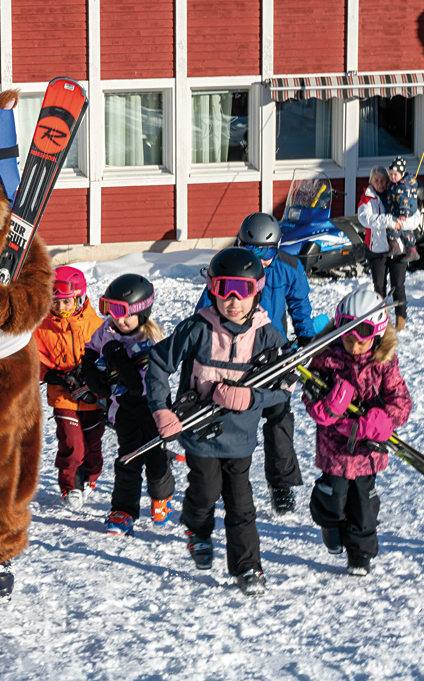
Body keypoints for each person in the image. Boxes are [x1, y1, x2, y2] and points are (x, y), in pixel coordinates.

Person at [147, 247, 293, 596]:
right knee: (205, 494)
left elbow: (287, 385)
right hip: (200, 434)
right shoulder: (197, 328)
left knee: (242, 505)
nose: (232, 299)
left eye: (242, 290)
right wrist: (160, 408)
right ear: (211, 287)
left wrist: (252, 398)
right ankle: (196, 529)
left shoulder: (267, 336)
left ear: (257, 289)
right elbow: (158, 362)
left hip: (241, 439)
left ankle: (248, 567)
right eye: (224, 287)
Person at [196, 211, 319, 516]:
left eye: (265, 252)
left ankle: (281, 484)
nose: (257, 257)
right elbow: (204, 309)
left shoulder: (289, 268)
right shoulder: (230, 266)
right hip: (230, 354)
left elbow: (301, 310)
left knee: (278, 417)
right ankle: (223, 479)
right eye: (250, 248)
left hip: (271, 355)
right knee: (228, 417)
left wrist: (306, 345)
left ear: (276, 249)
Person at [304, 288, 413, 577]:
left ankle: (360, 553)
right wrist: (328, 408)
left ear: (376, 337)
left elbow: (401, 402)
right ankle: (329, 524)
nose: (353, 347)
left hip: (367, 451)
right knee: (334, 496)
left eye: (361, 342)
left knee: (364, 506)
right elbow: (310, 399)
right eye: (348, 338)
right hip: (335, 448)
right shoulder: (326, 358)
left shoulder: (384, 362)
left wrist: (382, 420)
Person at [86, 273, 171, 536]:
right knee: (128, 459)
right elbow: (92, 348)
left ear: (141, 311)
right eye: (110, 310)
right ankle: (123, 510)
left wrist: (117, 356)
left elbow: (139, 386)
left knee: (156, 461)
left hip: (153, 409)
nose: (117, 319)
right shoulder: (108, 331)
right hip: (124, 411)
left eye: (123, 313)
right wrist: (90, 369)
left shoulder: (152, 343)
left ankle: (161, 496)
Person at [36, 266, 107, 506]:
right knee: (72, 445)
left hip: (93, 395)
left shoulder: (95, 324)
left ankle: (90, 477)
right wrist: (49, 375)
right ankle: (70, 487)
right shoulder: (43, 326)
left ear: (79, 298)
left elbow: (107, 356)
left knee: (92, 445)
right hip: (63, 396)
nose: (61, 309)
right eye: (55, 303)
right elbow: (34, 356)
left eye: (67, 303)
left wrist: (95, 373)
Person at [356, 165, 424, 331]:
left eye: (382, 180)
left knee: (398, 286)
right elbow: (365, 219)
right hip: (377, 249)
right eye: (376, 180)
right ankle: (382, 321)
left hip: (399, 248)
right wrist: (387, 220)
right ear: (371, 181)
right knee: (379, 288)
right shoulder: (368, 197)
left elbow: (415, 220)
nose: (379, 183)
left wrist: (400, 223)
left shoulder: (398, 192)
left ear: (388, 181)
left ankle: (401, 322)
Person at [380, 156, 422, 260]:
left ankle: (395, 245)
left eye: (395, 174)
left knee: (393, 226)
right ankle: (412, 250)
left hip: (404, 213)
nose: (392, 177)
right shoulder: (397, 184)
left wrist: (404, 213)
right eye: (390, 174)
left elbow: (404, 200)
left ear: (402, 174)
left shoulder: (403, 187)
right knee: (407, 231)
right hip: (405, 213)